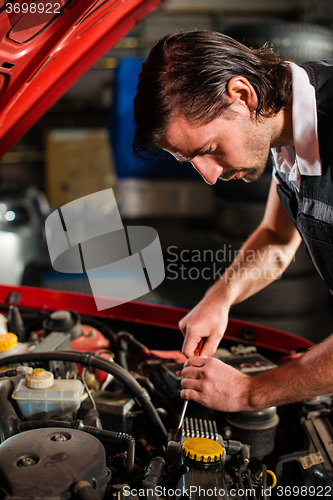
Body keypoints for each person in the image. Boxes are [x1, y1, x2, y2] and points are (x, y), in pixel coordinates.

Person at [132, 31, 333, 413]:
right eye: (192, 160)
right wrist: (219, 299)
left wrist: (249, 392)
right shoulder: (289, 120)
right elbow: (276, 239)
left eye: (206, 149)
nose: (208, 175)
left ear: (242, 96)